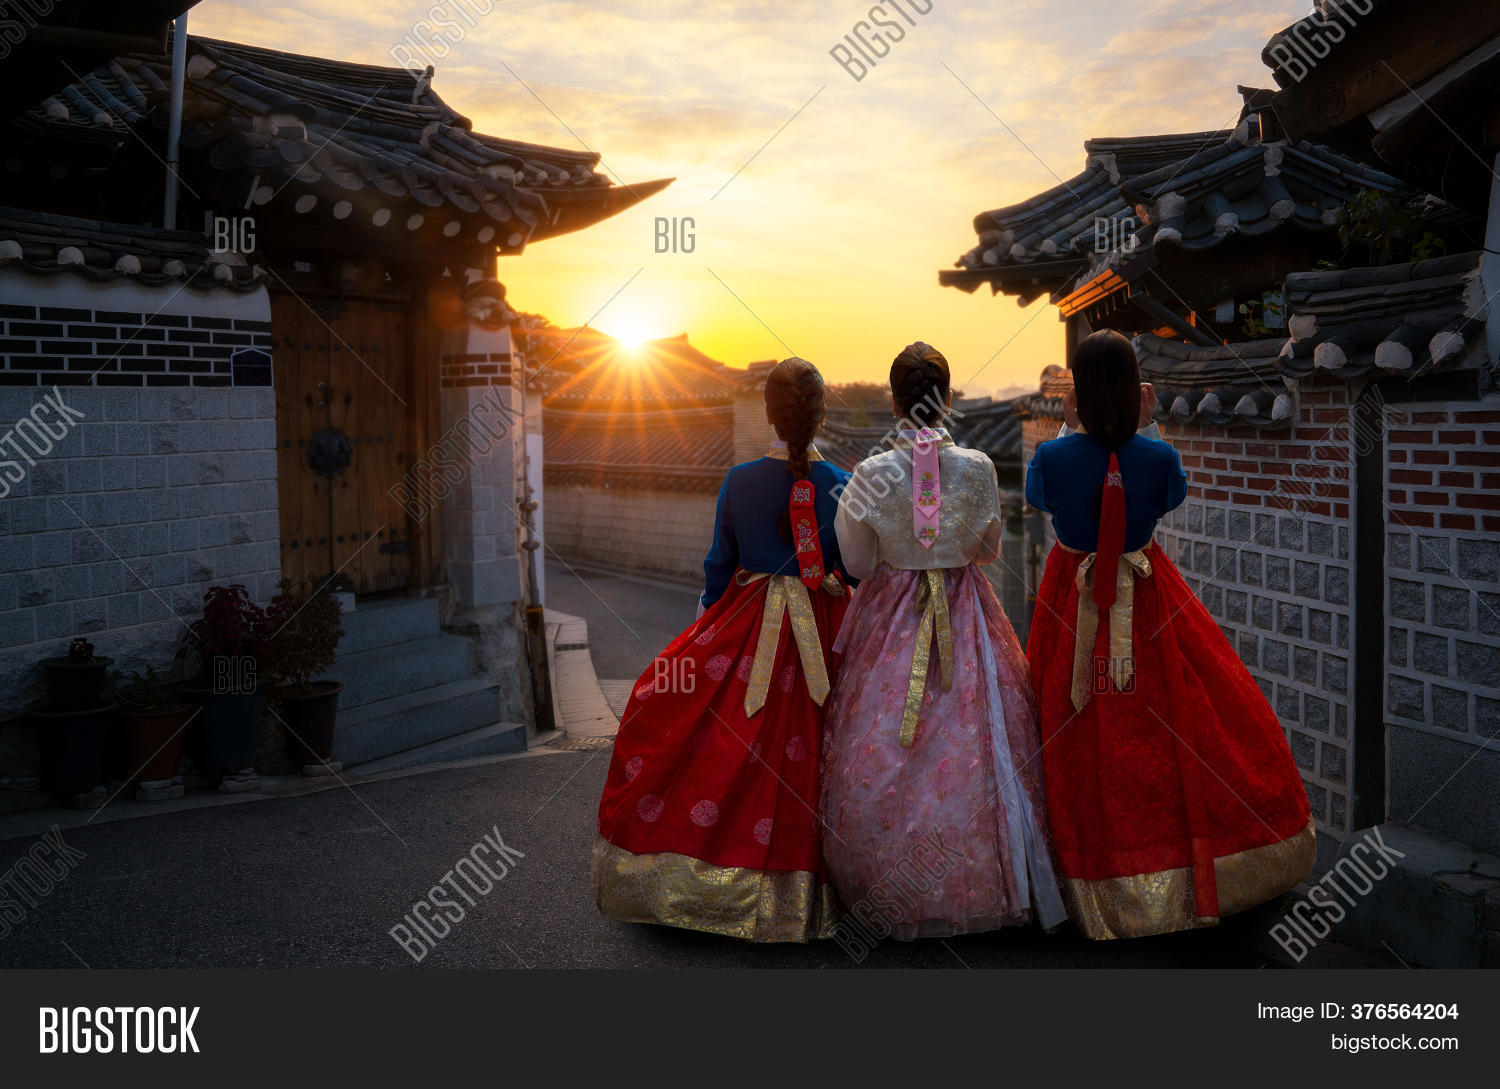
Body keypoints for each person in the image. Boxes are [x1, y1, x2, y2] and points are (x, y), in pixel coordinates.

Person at [1026, 329, 1314, 941]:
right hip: (1149, 596)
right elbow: (1172, 496)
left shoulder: (1052, 458)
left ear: (1076, 393)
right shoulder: (1158, 458)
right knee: (1173, 719)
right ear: (1138, 390)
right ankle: (1182, 871)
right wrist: (1147, 430)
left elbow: (1038, 496)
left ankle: (1086, 878)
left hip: (1071, 601)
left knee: (1069, 722)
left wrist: (1073, 430)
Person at [592, 357, 854, 942]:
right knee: (815, 746)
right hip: (824, 621)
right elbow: (851, 568)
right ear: (820, 413)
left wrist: (709, 623)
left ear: (768, 413)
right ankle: (811, 892)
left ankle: (706, 883)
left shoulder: (738, 480)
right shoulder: (842, 480)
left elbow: (719, 569)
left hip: (747, 621)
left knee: (720, 742)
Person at [820, 342, 1066, 940]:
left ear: (894, 401)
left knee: (881, 739)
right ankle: (990, 873)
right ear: (949, 398)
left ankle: (884, 879)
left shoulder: (870, 476)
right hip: (967, 611)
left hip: (889, 613)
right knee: (984, 733)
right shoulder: (979, 466)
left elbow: (854, 563)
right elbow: (986, 551)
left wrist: (902, 552)